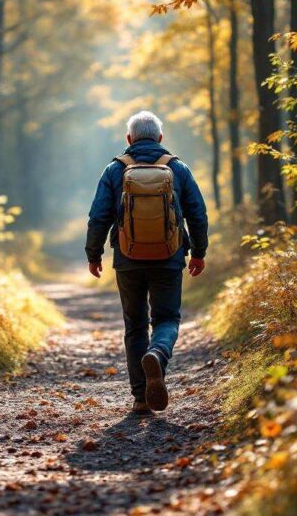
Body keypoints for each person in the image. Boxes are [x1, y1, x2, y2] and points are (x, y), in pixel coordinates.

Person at [85, 111, 208, 413]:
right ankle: (158, 352)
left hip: (128, 259)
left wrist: (94, 254)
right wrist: (199, 252)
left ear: (129, 139)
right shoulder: (177, 168)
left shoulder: (115, 170)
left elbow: (99, 216)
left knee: (135, 325)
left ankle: (141, 396)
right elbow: (198, 213)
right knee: (167, 319)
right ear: (160, 138)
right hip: (169, 257)